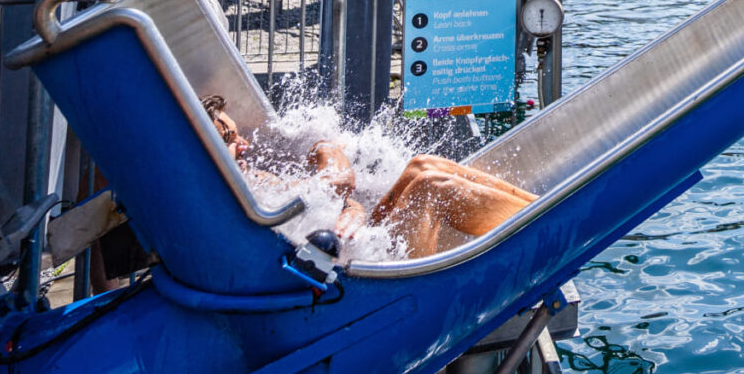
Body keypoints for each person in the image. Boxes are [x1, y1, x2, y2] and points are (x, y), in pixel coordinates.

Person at [202, 96, 536, 259]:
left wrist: (353, 210)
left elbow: (334, 197)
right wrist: (324, 146)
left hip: (355, 248)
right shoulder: (237, 187)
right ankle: (543, 222)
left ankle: (540, 207)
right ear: (210, 149)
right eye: (231, 139)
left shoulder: (244, 178)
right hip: (361, 276)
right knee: (433, 188)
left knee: (422, 165)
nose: (244, 143)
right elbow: (338, 182)